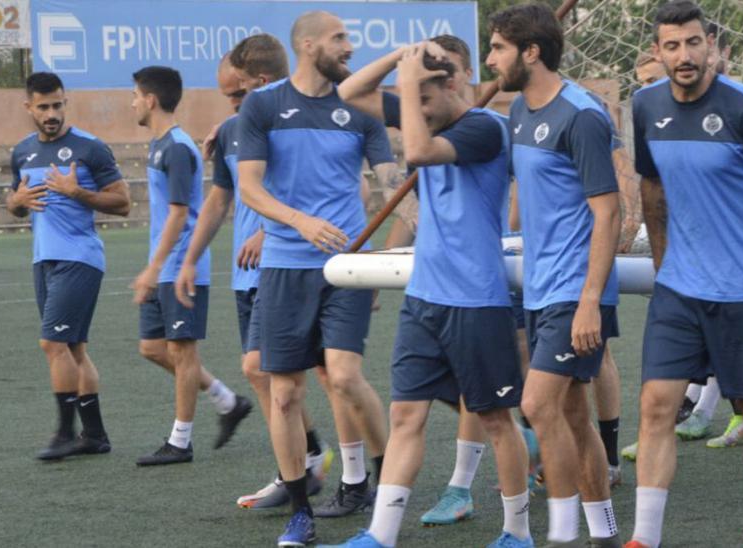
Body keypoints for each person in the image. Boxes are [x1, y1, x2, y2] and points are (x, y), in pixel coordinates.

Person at [321, 36, 534, 548]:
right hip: (424, 298)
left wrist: (408, 92)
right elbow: (346, 93)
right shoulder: (428, 108)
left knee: (496, 420)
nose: (414, 111)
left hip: (476, 300)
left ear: (454, 83)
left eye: (423, 99)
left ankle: (517, 533)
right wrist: (402, 61)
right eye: (411, 103)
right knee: (404, 414)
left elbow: (416, 150)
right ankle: (381, 535)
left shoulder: (485, 128)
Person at [625, 3, 743, 547]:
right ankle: (644, 537)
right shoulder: (644, 105)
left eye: (693, 43)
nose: (684, 55)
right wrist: (663, 267)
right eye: (672, 46)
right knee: (655, 406)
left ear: (711, 46)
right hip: (679, 287)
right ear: (658, 52)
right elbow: (651, 189)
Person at [235, 11, 397, 546]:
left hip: (348, 268)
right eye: (339, 39)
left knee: (346, 377)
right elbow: (251, 190)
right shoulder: (262, 105)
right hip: (285, 267)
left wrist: (382, 252)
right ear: (307, 46)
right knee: (284, 393)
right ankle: (300, 510)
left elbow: (392, 185)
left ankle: (386, 488)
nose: (348, 46)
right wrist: (299, 221)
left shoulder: (361, 111)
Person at [486, 4, 622, 545]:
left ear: (531, 52)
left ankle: (563, 534)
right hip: (540, 286)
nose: (490, 58)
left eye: (497, 47)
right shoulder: (519, 110)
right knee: (570, 414)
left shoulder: (583, 115)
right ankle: (603, 530)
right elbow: (529, 197)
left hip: (575, 290)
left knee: (537, 404)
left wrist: (591, 299)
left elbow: (610, 213)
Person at [174, 47, 332, 508]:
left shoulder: (300, 121)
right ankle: (307, 464)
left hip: (289, 265)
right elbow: (221, 199)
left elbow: (329, 187)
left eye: (237, 93)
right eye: (226, 96)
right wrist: (190, 259)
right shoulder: (232, 130)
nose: (232, 103)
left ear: (260, 82)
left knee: (316, 373)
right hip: (248, 277)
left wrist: (269, 229)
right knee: (270, 376)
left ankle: (346, 474)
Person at [128, 65, 249, 466]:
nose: (132, 103)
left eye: (135, 95)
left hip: (181, 268)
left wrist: (155, 266)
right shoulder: (158, 144)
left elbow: (180, 214)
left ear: (150, 99)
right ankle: (227, 400)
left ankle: (180, 442)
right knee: (152, 348)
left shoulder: (178, 147)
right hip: (162, 267)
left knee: (181, 352)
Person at [8, 72, 129, 461]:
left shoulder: (90, 148)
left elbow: (123, 201)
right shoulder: (22, 151)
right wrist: (16, 202)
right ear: (29, 107)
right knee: (74, 349)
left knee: (53, 343)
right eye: (43, 107)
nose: (51, 113)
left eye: (57, 105)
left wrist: (77, 192)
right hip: (43, 258)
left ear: (65, 102)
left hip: (79, 257)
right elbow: (14, 203)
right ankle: (95, 436)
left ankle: (64, 432)